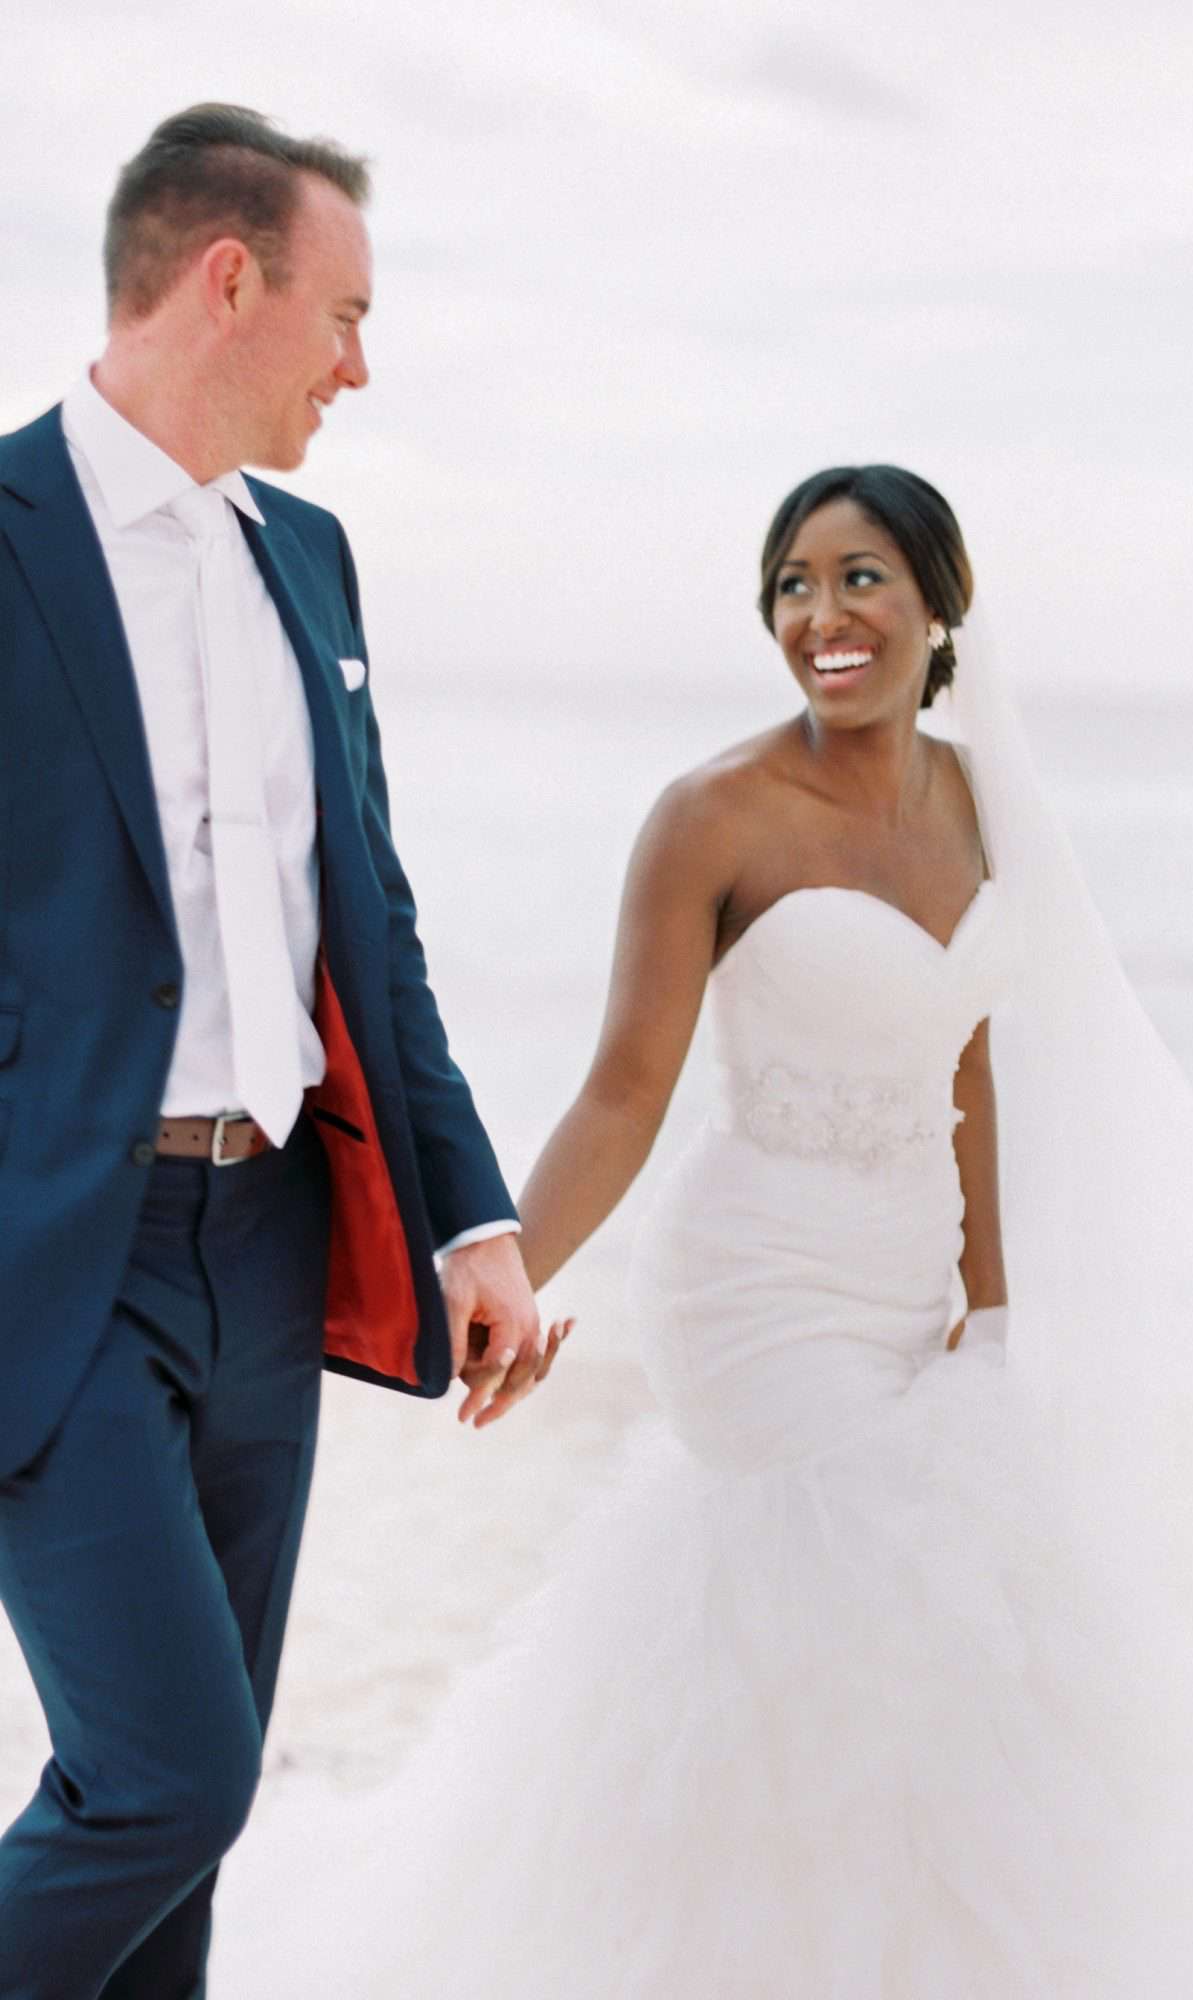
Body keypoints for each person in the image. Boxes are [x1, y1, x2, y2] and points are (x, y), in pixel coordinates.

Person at [217, 465, 1193, 1998]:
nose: (823, 612)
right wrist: (508, 1277)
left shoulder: (985, 803)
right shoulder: (712, 817)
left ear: (938, 604)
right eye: (793, 584)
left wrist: (994, 1312)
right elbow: (622, 1091)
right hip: (754, 1285)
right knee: (867, 1590)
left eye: (860, 575)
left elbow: (975, 1071)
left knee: (948, 1641)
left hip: (907, 1275)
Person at [0, 104, 564, 2000]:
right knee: (167, 1779)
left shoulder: (308, 560)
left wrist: (473, 1218)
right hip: (54, 1260)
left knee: (193, 1822)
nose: (358, 366)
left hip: (266, 1245)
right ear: (228, 279)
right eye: (346, 315)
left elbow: (369, 926)